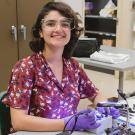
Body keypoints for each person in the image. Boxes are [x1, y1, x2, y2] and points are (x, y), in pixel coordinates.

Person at [3, 1, 119, 133]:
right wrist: (69, 122)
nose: (58, 29)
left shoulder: (73, 66)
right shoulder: (25, 68)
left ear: (70, 31)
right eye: (51, 24)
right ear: (40, 32)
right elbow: (18, 122)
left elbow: (94, 93)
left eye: (65, 24)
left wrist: (104, 105)